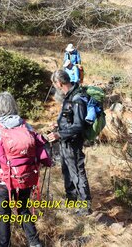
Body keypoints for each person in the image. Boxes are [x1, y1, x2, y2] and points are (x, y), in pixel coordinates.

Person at [0, 92, 51, 247]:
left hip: (4, 181)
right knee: (23, 209)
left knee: (4, 215)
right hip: (25, 178)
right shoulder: (27, 127)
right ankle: (35, 243)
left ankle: (4, 245)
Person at [47, 70, 92, 216]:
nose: (55, 87)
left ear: (59, 83)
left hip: (73, 143)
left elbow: (79, 125)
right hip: (65, 142)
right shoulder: (69, 96)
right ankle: (71, 200)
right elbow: (69, 119)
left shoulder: (77, 98)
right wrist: (57, 125)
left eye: (55, 84)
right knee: (67, 171)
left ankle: (85, 206)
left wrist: (58, 134)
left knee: (77, 173)